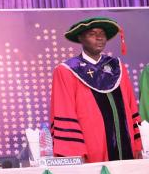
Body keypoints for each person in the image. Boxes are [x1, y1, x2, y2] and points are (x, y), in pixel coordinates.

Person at [50, 17, 142, 162]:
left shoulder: (117, 67)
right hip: (92, 152)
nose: (99, 38)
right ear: (81, 38)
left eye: (103, 34)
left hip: (126, 149)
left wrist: (137, 144)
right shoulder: (66, 71)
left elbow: (130, 107)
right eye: (92, 34)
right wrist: (75, 155)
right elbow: (64, 112)